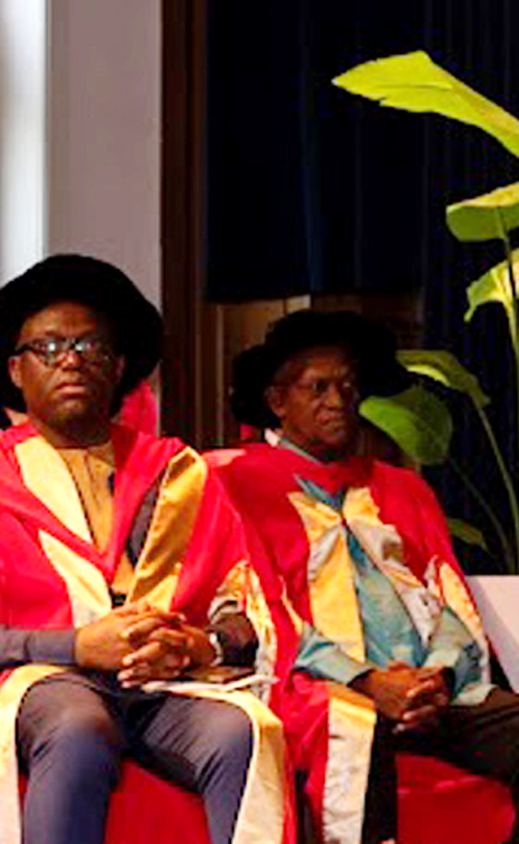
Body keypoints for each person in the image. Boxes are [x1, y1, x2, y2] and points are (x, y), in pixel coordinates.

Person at [0, 254, 288, 844]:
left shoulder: (177, 473)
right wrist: (76, 646)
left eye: (91, 347)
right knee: (79, 725)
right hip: (36, 679)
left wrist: (198, 643)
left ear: (119, 367)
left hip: (165, 686)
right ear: (16, 371)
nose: (72, 360)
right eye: (48, 348)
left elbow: (246, 605)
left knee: (245, 732)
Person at [213, 310, 519, 844]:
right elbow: (259, 611)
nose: (339, 400)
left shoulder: (402, 488)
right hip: (318, 687)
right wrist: (367, 681)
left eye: (349, 387)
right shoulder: (233, 482)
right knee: (352, 725)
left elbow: (446, 594)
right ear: (278, 401)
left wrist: (438, 676)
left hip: (430, 693)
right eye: (319, 387)